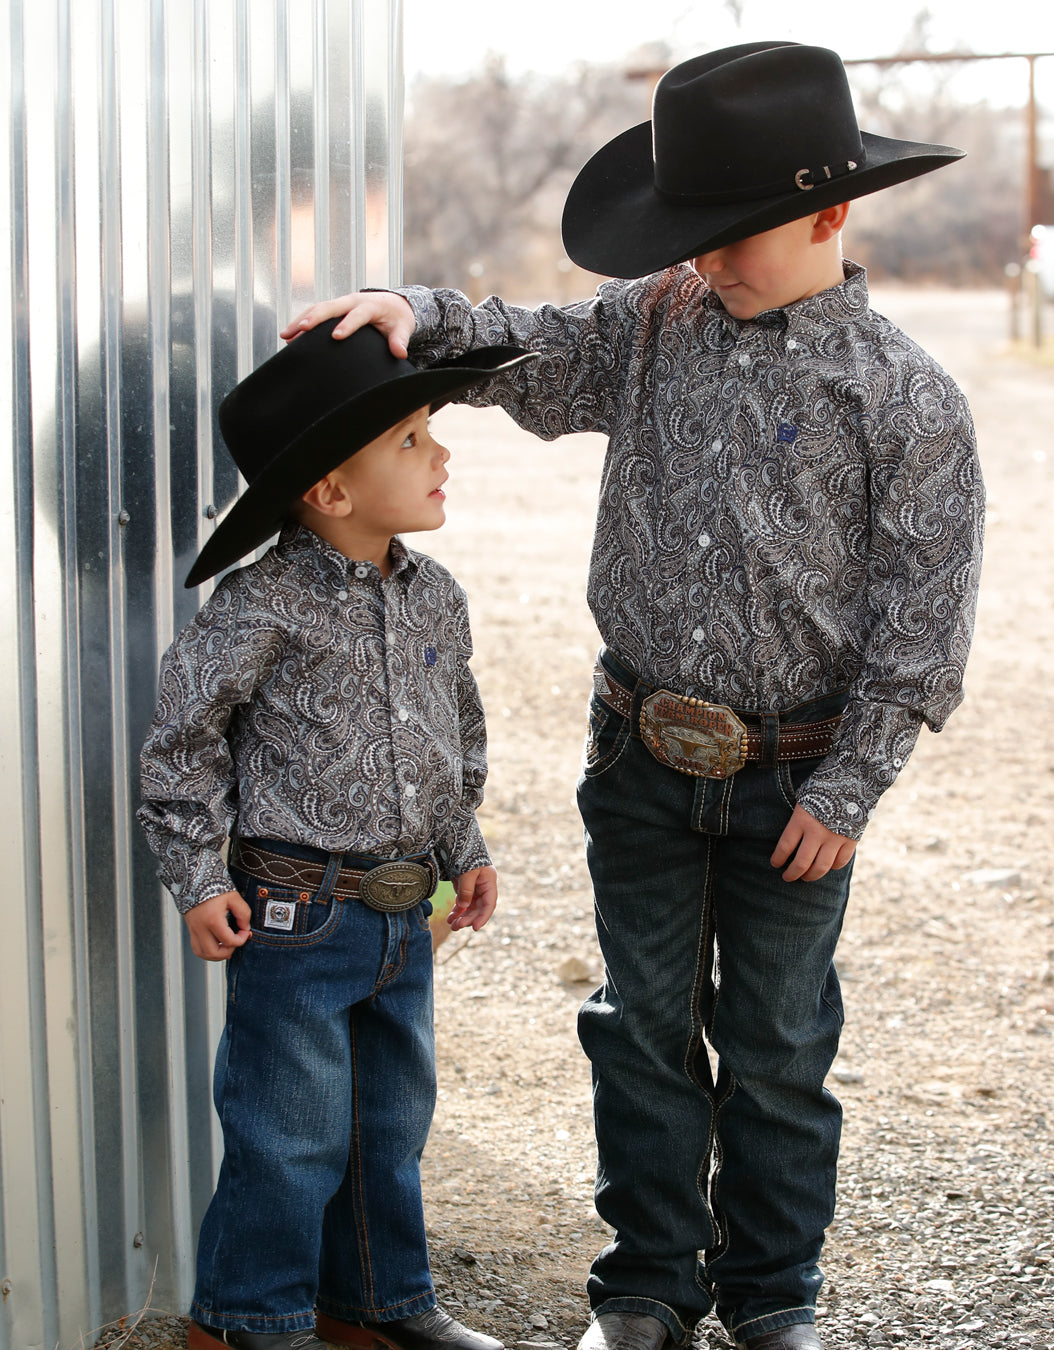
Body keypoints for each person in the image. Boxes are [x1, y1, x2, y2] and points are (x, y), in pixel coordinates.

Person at [282, 42, 985, 1350]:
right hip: (642, 751)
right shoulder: (656, 319)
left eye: (736, 234)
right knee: (641, 1023)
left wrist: (852, 783)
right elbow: (537, 353)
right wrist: (417, 317)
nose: (708, 258)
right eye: (693, 232)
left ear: (832, 213)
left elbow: (924, 626)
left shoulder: (905, 400)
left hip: (798, 778)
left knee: (776, 1044)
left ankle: (774, 1293)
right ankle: (650, 1282)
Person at [138, 323, 533, 1350]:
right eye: (409, 439)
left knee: (389, 1123)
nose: (440, 453)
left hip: (404, 917)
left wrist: (467, 850)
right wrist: (193, 879)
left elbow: (457, 741)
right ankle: (247, 1320)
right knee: (289, 1132)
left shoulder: (435, 595)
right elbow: (184, 744)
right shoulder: (264, 604)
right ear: (330, 490)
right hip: (295, 915)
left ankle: (377, 1304)